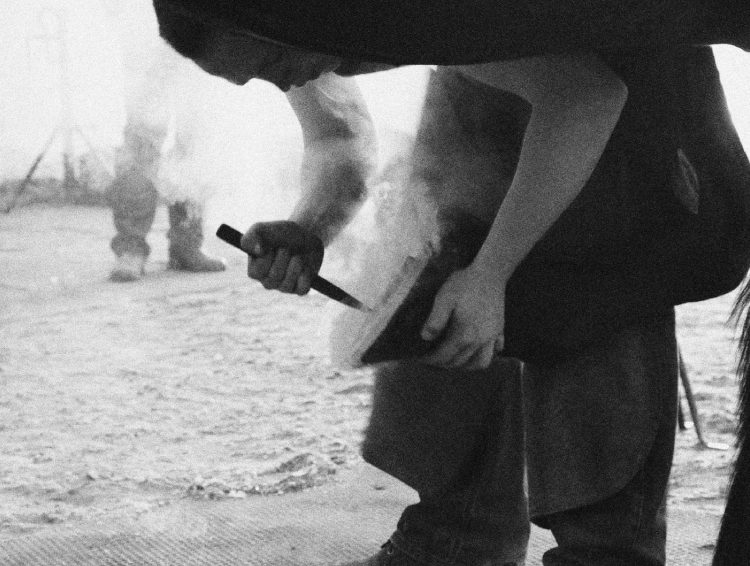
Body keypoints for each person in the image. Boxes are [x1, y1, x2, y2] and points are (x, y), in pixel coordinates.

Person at [149, 2, 750, 565]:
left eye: (272, 64)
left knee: (583, 318)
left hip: (637, 144)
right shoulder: (295, 37)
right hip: (512, 121)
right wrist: (309, 226)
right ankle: (459, 536)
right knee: (437, 269)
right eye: (260, 78)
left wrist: (491, 274)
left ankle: (605, 549)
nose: (282, 83)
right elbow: (338, 136)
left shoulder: (416, 13)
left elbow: (586, 97)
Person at [103, 1, 226, 282]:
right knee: (142, 138)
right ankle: (131, 248)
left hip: (203, 27)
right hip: (148, 27)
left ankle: (187, 244)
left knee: (195, 138)